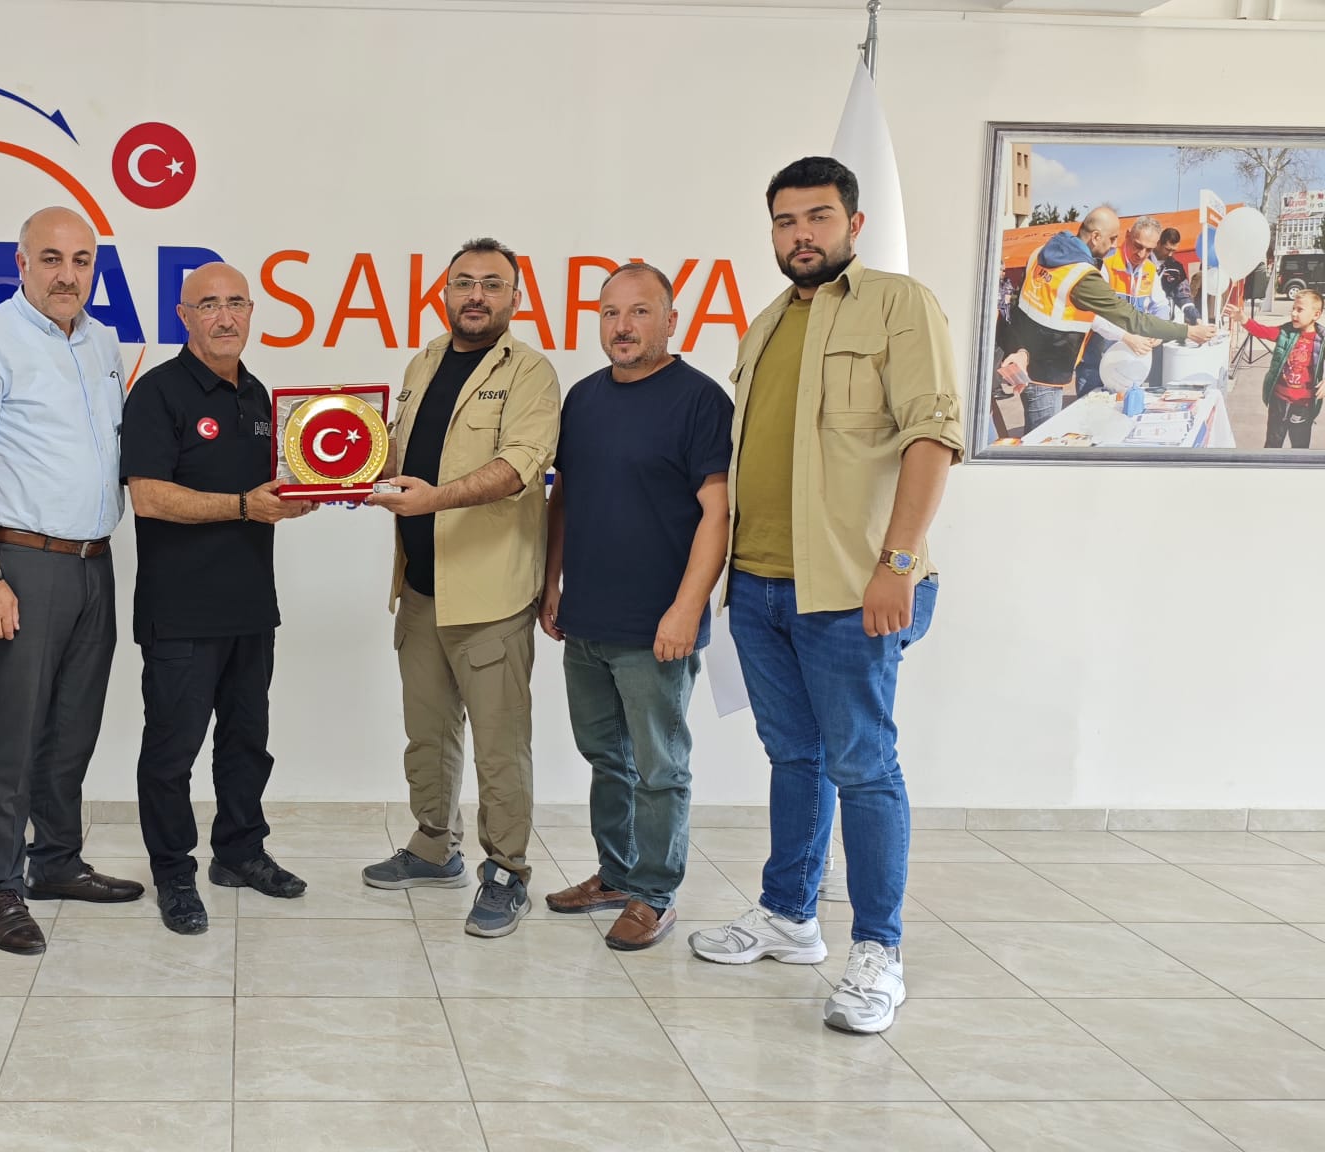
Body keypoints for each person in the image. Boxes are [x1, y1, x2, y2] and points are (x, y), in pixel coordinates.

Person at [685, 156, 961, 1035]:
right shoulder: (766, 323)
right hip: (760, 584)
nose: (801, 234)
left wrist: (898, 562)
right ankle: (789, 916)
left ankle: (878, 951)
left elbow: (931, 437)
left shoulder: (898, 305)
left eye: (818, 217)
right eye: (785, 221)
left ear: (854, 223)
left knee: (864, 766)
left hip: (852, 586)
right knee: (793, 757)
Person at [0, 206, 144, 957]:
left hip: (95, 560)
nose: (67, 274)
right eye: (50, 259)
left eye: (81, 260)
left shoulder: (103, 342)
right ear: (20, 265)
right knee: (14, 731)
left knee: (73, 726)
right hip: (21, 561)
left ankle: (56, 860)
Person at [360, 237, 560, 940]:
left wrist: (434, 499)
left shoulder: (531, 373)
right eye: (464, 283)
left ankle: (506, 871)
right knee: (427, 733)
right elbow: (395, 452)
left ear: (515, 298)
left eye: (492, 284)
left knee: (499, 747)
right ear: (444, 293)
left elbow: (518, 466)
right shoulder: (422, 362)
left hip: (490, 597)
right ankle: (432, 846)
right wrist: (342, 464)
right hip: (420, 590)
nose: (476, 295)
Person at [539, 263, 731, 951]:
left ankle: (654, 894)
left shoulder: (700, 400)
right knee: (605, 755)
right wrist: (552, 582)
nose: (623, 326)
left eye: (640, 312)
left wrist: (687, 609)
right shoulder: (583, 399)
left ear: (672, 321)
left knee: (660, 767)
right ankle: (616, 875)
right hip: (587, 619)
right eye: (611, 313)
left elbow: (718, 514)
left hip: (657, 627)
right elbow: (564, 496)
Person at [119, 262, 314, 934]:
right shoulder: (157, 393)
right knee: (171, 752)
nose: (225, 317)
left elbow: (272, 491)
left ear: (252, 312)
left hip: (251, 607)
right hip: (180, 611)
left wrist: (304, 495)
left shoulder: (259, 396)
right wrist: (242, 506)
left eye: (236, 303)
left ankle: (240, 852)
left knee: (247, 741)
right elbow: (149, 496)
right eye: (209, 305)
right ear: (184, 316)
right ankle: (174, 873)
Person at [998, 206, 1213, 434]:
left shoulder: (1040, 252)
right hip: (1048, 372)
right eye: (1112, 239)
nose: (1113, 245)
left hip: (1027, 361)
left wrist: (1021, 352)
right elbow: (1132, 318)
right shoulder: (1084, 275)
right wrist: (1187, 331)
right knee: (1043, 442)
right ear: (1095, 236)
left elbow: (1022, 307)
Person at [1072, 215, 1165, 399]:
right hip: (1095, 365)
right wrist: (1127, 337)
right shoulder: (1104, 263)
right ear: (1128, 235)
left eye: (1149, 250)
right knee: (1090, 415)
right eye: (1138, 246)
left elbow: (1160, 304)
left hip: (1129, 367)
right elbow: (1093, 314)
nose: (1141, 254)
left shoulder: (1149, 269)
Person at [1228, 289, 1325, 449]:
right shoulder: (1286, 332)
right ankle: (1269, 465)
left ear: (1316, 315)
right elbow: (1263, 331)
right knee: (1273, 443)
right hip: (1279, 400)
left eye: (1299, 310)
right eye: (1293, 308)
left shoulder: (1321, 339)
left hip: (1303, 405)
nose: (1293, 313)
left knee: (1300, 447)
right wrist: (1244, 319)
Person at [1155, 227, 1200, 324]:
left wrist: (1196, 318)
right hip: (1144, 321)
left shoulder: (1177, 268)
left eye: (1173, 250)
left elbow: (1183, 296)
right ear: (1158, 244)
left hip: (1167, 322)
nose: (1170, 254)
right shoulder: (1143, 261)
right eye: (1167, 249)